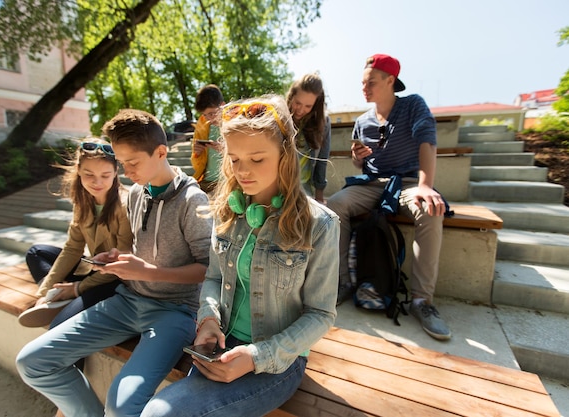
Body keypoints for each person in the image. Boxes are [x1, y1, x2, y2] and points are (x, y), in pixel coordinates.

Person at [140, 95, 340, 417]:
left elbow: (320, 314)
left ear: (285, 155)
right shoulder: (228, 212)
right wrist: (207, 319)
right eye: (234, 159)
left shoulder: (320, 225)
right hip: (221, 346)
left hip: (278, 360)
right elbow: (214, 278)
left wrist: (257, 357)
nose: (243, 171)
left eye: (257, 159)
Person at [16, 109, 213, 417]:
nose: (126, 170)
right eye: (122, 163)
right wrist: (118, 258)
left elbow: (208, 270)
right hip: (127, 301)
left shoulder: (192, 201)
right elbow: (139, 250)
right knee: (32, 362)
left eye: (132, 162)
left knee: (121, 407)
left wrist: (148, 271)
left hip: (174, 313)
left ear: (161, 152)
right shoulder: (135, 193)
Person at [327, 54, 452, 341]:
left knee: (431, 209)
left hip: (408, 182)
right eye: (362, 83)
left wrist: (425, 185)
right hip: (372, 183)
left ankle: (422, 300)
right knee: (334, 206)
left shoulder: (413, 105)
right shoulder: (362, 121)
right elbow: (360, 165)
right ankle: (345, 283)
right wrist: (357, 159)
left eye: (370, 82)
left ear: (390, 81)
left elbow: (427, 143)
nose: (364, 88)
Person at [20, 138, 133, 329]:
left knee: (59, 325)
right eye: (89, 174)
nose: (97, 182)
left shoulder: (125, 205)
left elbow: (121, 264)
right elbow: (72, 248)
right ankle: (58, 298)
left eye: (105, 175)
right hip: (91, 269)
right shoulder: (83, 202)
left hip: (115, 280)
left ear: (115, 173)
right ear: (79, 170)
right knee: (36, 253)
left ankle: (70, 299)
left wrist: (77, 288)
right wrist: (45, 292)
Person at [285, 73, 331, 203]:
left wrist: (320, 196)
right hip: (280, 189)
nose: (300, 110)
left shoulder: (323, 123)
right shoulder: (280, 119)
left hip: (305, 192)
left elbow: (322, 160)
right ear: (291, 97)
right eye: (297, 103)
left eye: (308, 106)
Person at [191, 84, 226, 193]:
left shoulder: (234, 123)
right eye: (205, 115)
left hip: (227, 182)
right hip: (206, 181)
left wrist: (225, 150)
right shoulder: (202, 125)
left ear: (223, 105)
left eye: (212, 113)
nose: (209, 118)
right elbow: (196, 164)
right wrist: (197, 153)